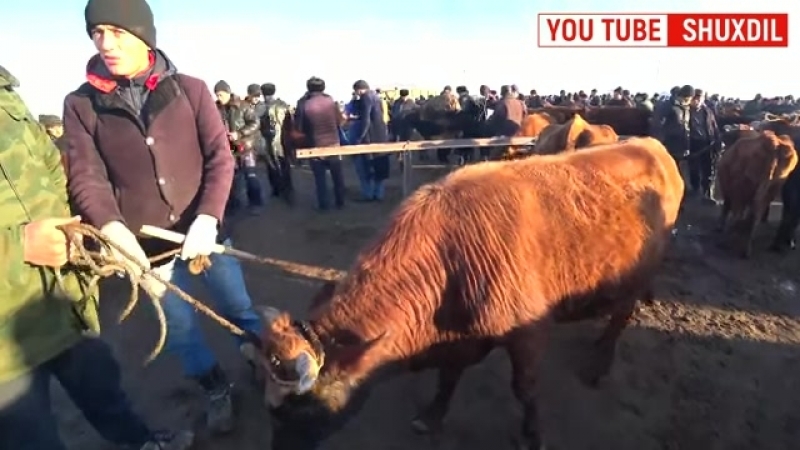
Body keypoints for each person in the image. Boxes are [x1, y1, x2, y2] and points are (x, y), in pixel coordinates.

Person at [63, 0, 262, 435]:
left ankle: (266, 365)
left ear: (143, 35)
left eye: (116, 31)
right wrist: (114, 229)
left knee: (238, 308)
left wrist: (208, 218)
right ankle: (214, 388)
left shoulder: (190, 89)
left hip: (205, 238)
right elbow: (86, 177)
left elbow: (219, 158)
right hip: (146, 250)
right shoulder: (81, 105)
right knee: (180, 328)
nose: (105, 42)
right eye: (96, 33)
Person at [0, 65, 193, 450]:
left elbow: (50, 166)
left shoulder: (5, 90)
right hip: (5, 345)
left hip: (61, 300)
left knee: (106, 395)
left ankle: (141, 443)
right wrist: (17, 247)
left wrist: (73, 223)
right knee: (30, 438)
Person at [294, 77, 345, 210]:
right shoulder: (330, 101)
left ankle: (324, 204)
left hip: (315, 144)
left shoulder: (304, 104)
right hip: (333, 143)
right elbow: (340, 121)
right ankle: (340, 202)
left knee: (320, 178)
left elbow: (299, 128)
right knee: (337, 175)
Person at [214, 80, 264, 216]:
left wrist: (240, 133)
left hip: (245, 147)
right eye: (217, 95)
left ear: (228, 93)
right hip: (228, 149)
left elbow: (255, 123)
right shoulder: (215, 108)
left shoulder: (243, 106)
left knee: (251, 176)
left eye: (221, 95)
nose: (219, 98)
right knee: (232, 179)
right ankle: (234, 205)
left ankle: (256, 203)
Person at [350, 79, 390, 201]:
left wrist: (360, 137)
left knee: (367, 166)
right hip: (381, 134)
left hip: (371, 136)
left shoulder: (365, 98)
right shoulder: (376, 97)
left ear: (359, 89)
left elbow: (366, 119)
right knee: (380, 165)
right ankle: (379, 194)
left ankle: (368, 194)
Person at [260, 82, 294, 204]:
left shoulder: (261, 107)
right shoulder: (283, 105)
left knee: (271, 166)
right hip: (282, 140)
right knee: (285, 165)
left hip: (267, 141)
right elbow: (290, 124)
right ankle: (288, 190)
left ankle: (276, 190)